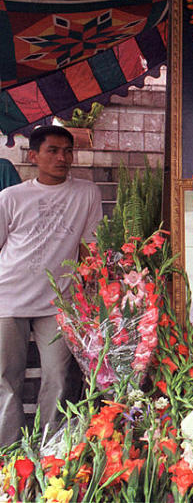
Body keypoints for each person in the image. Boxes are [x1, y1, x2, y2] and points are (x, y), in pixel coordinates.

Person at [0, 126, 102, 446]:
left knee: (58, 378)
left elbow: (90, 248)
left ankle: (50, 451)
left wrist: (95, 292)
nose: (62, 158)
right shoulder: (10, 197)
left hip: (58, 301)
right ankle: (8, 452)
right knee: (5, 380)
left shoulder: (87, 193)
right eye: (53, 151)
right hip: (9, 296)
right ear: (33, 156)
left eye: (68, 151)